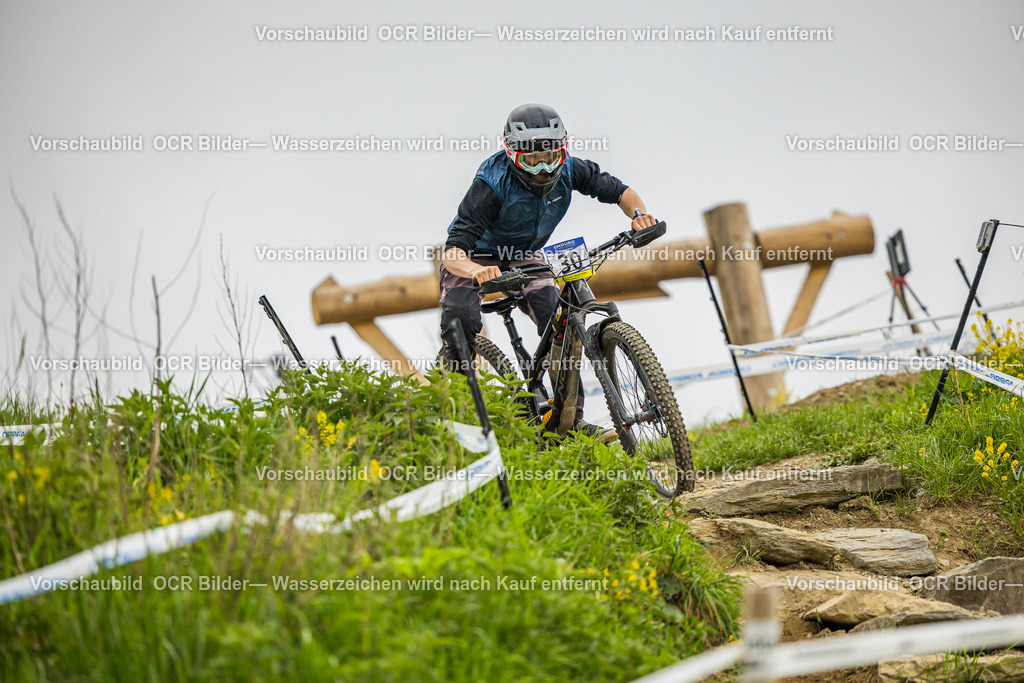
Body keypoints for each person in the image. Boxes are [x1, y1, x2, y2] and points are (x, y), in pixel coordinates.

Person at [439, 103, 657, 438]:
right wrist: (475, 270)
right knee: (460, 317)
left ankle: (570, 419)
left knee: (560, 319)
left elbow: (620, 192)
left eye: (550, 157)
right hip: (475, 256)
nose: (542, 168)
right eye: (531, 160)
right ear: (512, 154)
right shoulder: (491, 183)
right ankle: (452, 407)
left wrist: (639, 214)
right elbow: (453, 250)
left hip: (526, 254)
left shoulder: (571, 169)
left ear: (562, 150)